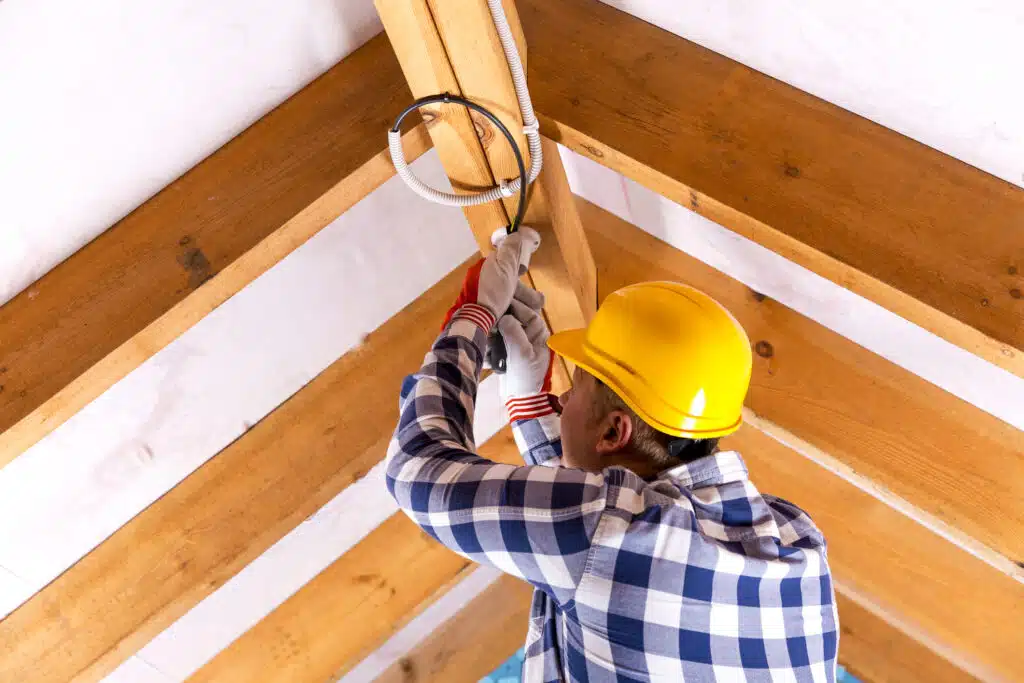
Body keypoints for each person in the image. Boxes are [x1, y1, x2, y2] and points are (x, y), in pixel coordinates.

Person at [386, 228, 838, 682]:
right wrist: (529, 408)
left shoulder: (609, 530)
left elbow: (416, 468)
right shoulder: (796, 539)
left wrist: (471, 317)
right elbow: (599, 539)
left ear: (613, 431)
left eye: (575, 384)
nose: (562, 401)